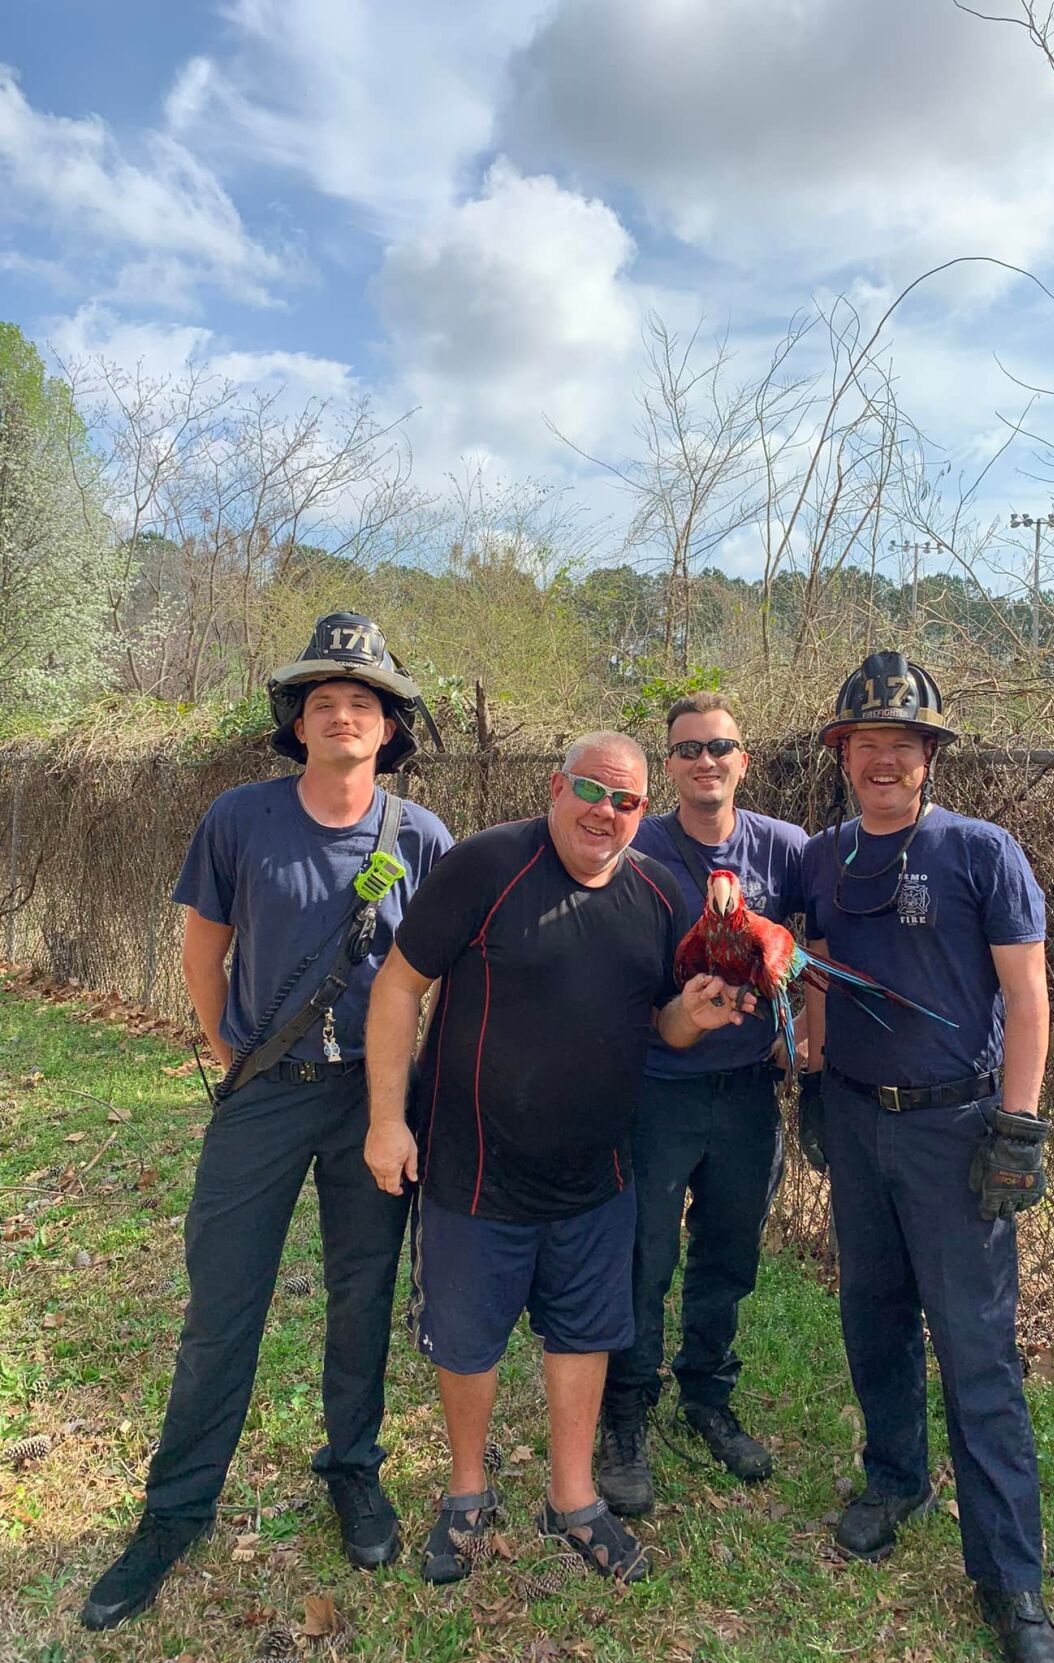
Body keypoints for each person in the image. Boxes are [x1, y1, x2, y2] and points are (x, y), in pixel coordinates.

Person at [81, 614, 453, 1631]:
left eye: (362, 702)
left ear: (389, 726)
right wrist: (232, 1053)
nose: (343, 715)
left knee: (361, 1293)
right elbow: (202, 952)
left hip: (376, 1101)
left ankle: (353, 1469)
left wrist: (412, 1103)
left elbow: (442, 976)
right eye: (323, 701)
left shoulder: (421, 838)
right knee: (223, 1300)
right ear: (297, 721)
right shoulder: (239, 817)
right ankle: (174, 1510)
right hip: (264, 1092)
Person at [364, 731, 755, 1586]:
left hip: (595, 1176)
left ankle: (572, 1497)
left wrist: (695, 1015)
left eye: (626, 800)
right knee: (467, 1341)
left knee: (582, 1333)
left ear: (642, 812)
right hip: (474, 1169)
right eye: (591, 790)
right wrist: (386, 1120)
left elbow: (664, 1021)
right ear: (555, 786)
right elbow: (397, 986)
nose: (605, 812)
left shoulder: (658, 892)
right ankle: (466, 1492)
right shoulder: (485, 865)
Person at [800, 651, 1054, 1663]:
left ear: (928, 756)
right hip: (855, 1116)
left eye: (902, 742)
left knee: (973, 1347)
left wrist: (1017, 1124)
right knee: (870, 1312)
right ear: (841, 754)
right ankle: (894, 1479)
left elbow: (1027, 995)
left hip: (955, 1129)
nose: (883, 758)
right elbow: (816, 962)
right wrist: (815, 1066)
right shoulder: (823, 857)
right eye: (865, 741)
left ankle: (1010, 1578)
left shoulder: (979, 852)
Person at [597, 693, 807, 1515]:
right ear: (669, 766)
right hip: (660, 1088)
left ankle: (707, 1395)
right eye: (687, 749)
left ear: (742, 759)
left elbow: (822, 948)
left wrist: (802, 1039)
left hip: (747, 1092)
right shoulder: (638, 849)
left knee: (729, 1253)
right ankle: (626, 1412)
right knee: (643, 1255)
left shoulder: (785, 848)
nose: (704, 761)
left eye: (719, 746)